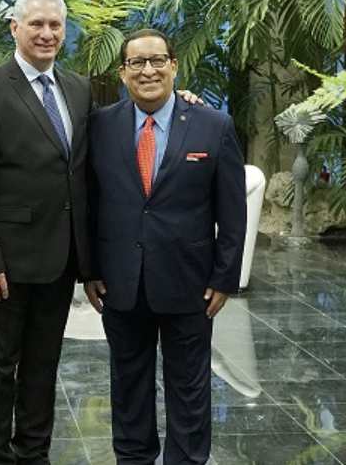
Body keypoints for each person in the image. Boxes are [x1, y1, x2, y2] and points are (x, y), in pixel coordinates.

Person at [0, 0, 201, 464]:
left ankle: (34, 454)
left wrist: (182, 102)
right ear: (15, 28)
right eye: (36, 24)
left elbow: (100, 157)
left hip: (59, 260)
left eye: (55, 25)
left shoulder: (77, 88)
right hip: (3, 266)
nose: (46, 33)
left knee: (42, 368)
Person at [84, 29, 246, 465]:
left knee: (190, 388)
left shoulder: (214, 125)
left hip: (190, 283)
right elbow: (90, 202)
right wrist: (90, 269)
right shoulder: (100, 125)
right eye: (137, 63)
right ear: (123, 73)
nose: (148, 71)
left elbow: (233, 211)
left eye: (157, 60)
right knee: (128, 386)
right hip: (121, 281)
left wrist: (225, 277)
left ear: (174, 66)